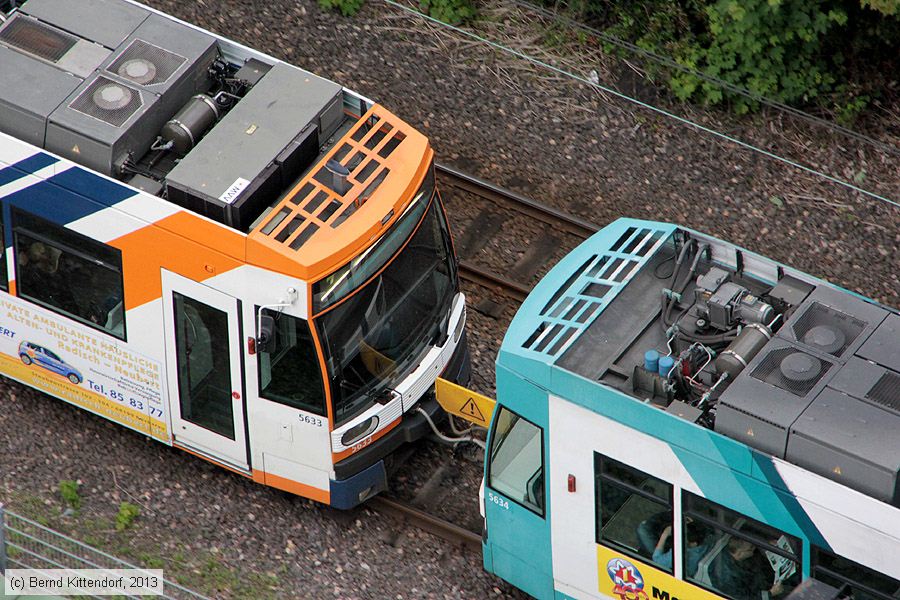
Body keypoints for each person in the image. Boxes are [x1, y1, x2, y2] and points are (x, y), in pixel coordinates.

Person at [710, 537, 784, 600]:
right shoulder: (727, 578)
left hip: (764, 579)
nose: (754, 548)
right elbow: (745, 598)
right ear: (739, 553)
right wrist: (770, 593)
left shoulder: (739, 553)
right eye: (751, 548)